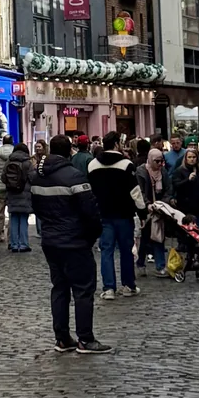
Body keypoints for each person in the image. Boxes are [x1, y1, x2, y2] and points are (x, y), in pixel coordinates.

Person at [32, 136, 108, 354]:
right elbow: (90, 211)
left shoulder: (38, 177)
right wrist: (92, 235)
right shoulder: (74, 176)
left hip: (51, 239)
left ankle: (62, 337)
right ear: (69, 152)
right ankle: (85, 339)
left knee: (59, 288)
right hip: (75, 240)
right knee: (83, 290)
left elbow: (36, 209)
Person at [88, 131, 139, 299]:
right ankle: (128, 286)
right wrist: (143, 211)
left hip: (103, 213)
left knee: (106, 251)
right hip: (124, 213)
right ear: (117, 144)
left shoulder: (93, 164)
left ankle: (108, 288)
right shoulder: (126, 164)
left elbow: (90, 191)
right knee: (126, 250)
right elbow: (135, 192)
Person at [134, 146, 171, 274]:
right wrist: (147, 204)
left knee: (158, 236)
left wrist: (162, 203)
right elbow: (140, 191)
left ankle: (160, 265)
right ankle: (140, 263)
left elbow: (168, 189)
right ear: (150, 160)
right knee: (145, 238)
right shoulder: (141, 171)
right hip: (145, 211)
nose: (160, 164)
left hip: (160, 209)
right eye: (157, 161)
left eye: (162, 161)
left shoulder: (163, 172)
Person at [3, 141, 35, 251]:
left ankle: (14, 244)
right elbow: (33, 178)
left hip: (12, 194)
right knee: (23, 220)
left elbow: (3, 178)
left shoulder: (8, 161)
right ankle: (23, 244)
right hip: (24, 195)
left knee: (14, 219)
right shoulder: (28, 163)